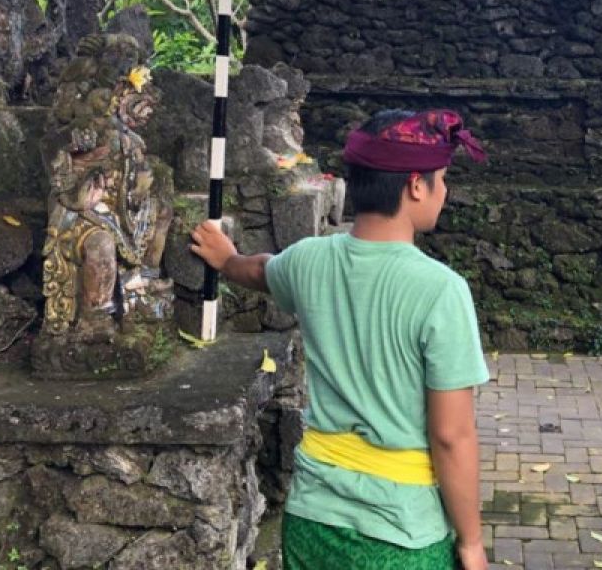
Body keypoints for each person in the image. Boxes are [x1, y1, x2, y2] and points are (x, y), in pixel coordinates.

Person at [190, 109, 490, 570]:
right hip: (402, 535)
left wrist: (226, 259)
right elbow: (451, 435)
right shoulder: (441, 291)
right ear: (415, 185)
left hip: (313, 521)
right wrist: (470, 543)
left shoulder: (309, 262)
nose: (444, 191)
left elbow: (259, 270)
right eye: (442, 179)